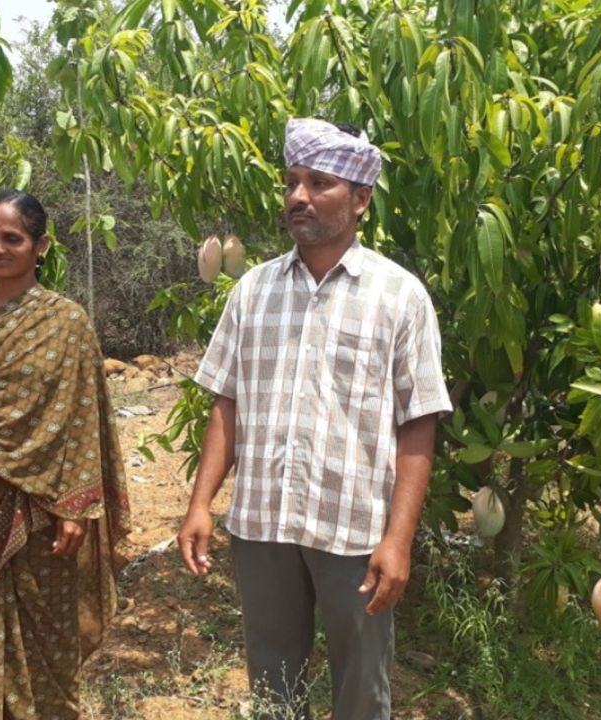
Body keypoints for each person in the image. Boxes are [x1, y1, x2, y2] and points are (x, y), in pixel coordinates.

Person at [176, 119, 452, 719]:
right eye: (292, 181)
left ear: (360, 199)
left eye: (319, 182)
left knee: (361, 686)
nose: (298, 196)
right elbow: (227, 402)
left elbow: (418, 424)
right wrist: (201, 504)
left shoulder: (398, 296)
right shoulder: (252, 290)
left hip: (353, 529)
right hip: (262, 524)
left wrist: (398, 540)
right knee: (273, 682)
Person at [0, 189, 131, 720]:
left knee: (48, 630)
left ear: (40, 246)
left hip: (43, 505)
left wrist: (75, 505)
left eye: (11, 238)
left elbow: (83, 416)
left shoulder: (66, 322)